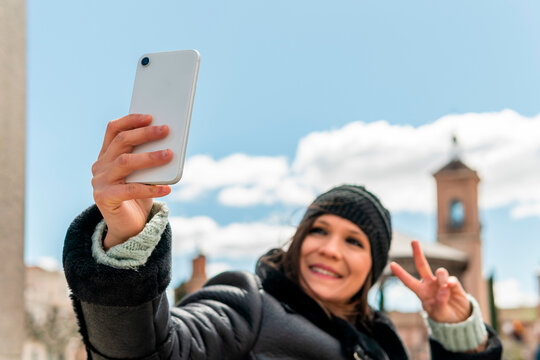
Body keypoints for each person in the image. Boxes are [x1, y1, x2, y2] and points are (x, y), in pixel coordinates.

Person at [63, 114, 502, 359]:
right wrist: (127, 241)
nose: (330, 248)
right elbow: (152, 354)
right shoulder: (248, 304)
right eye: (319, 231)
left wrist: (459, 334)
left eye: (354, 241)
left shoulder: (381, 341)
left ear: (373, 268)